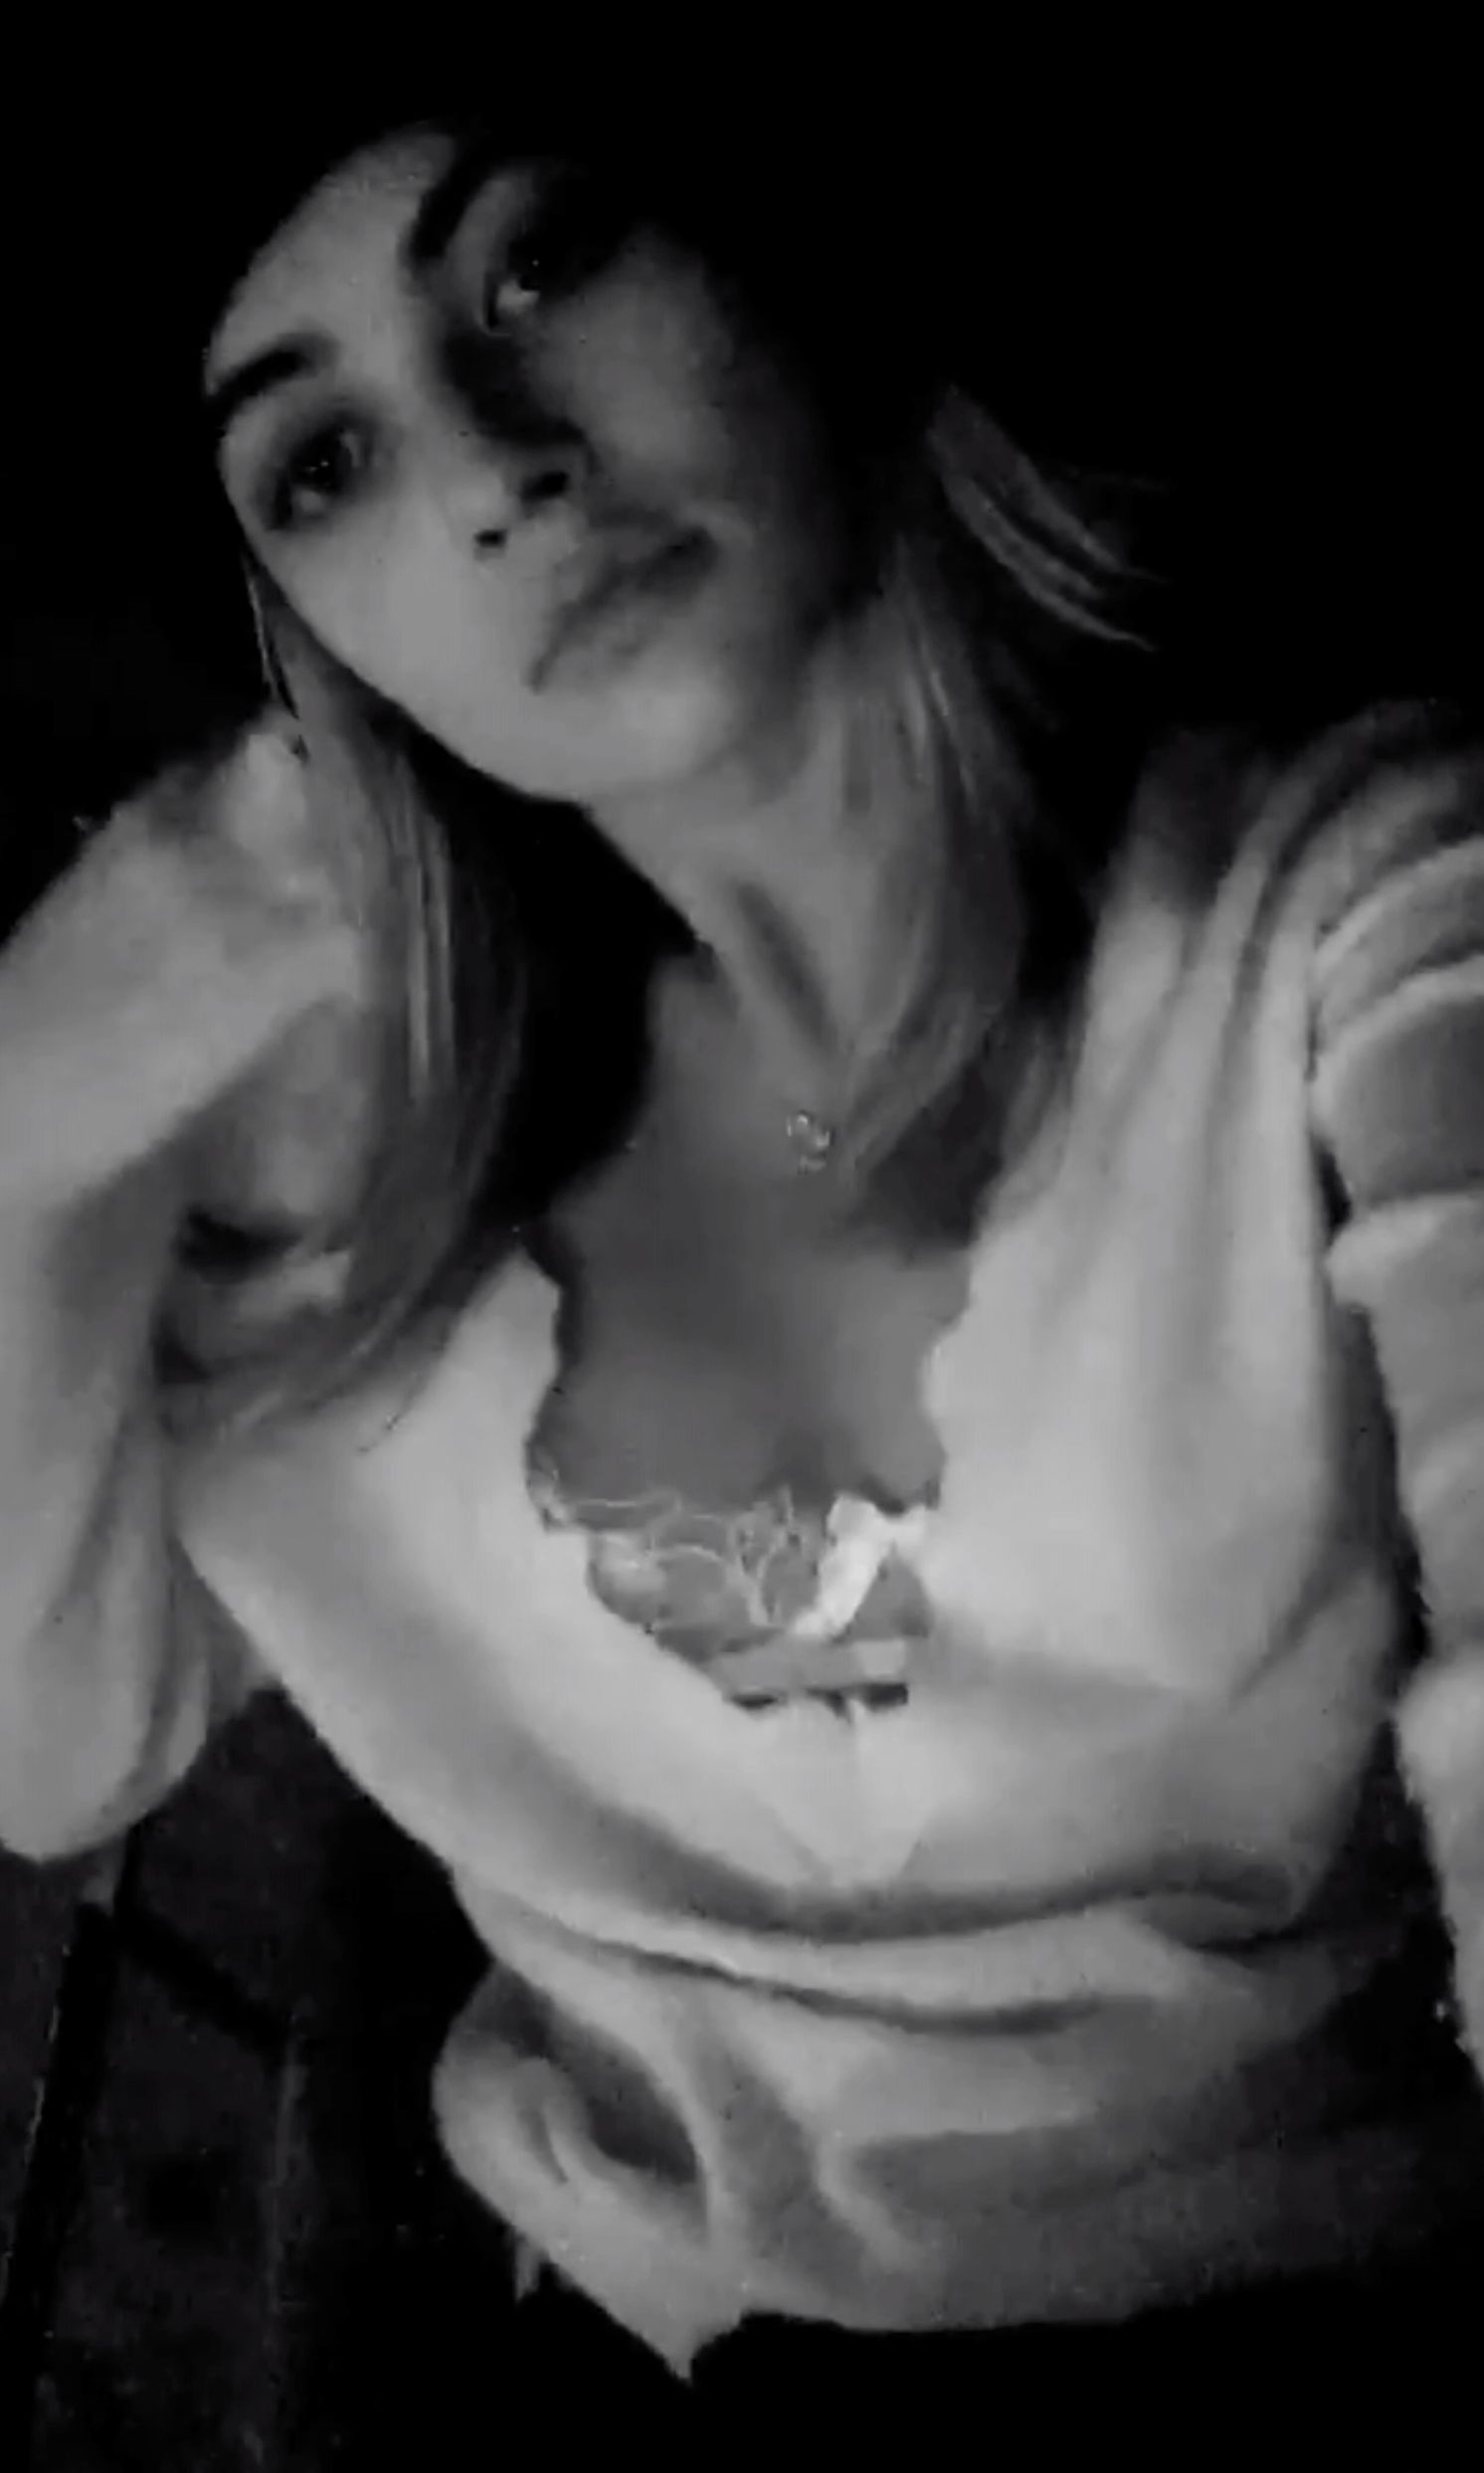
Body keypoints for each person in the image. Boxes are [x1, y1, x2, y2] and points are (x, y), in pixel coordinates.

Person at [3, 95, 1484, 2434]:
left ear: (774, 250)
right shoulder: (339, 1180)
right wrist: (25, 1121)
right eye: (322, 464)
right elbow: (48, 1744)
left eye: (536, 266)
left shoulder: (1344, 922)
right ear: (312, 645)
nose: (491, 467)